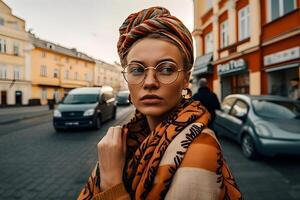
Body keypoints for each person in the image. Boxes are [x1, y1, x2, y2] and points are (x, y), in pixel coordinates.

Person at [77, 7, 242, 200]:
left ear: (186, 78)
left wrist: (112, 182)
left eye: (166, 69)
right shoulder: (134, 138)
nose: (149, 82)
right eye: (137, 70)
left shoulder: (199, 150)